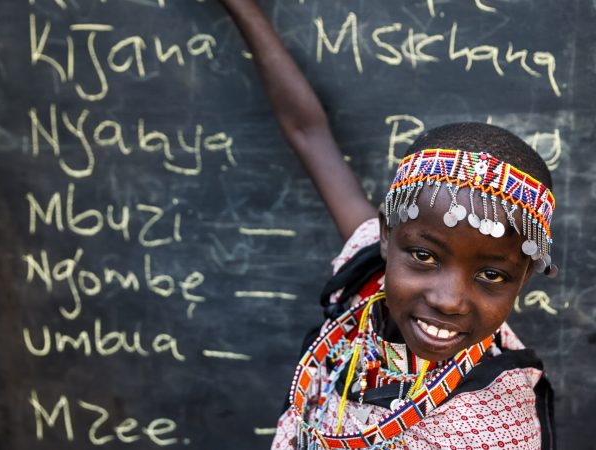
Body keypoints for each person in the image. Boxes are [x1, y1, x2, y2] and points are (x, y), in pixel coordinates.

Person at [217, 1, 557, 449]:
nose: (449, 300)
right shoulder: (364, 281)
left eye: (491, 275)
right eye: (424, 256)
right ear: (385, 236)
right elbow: (307, 131)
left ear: (523, 278)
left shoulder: (496, 426)